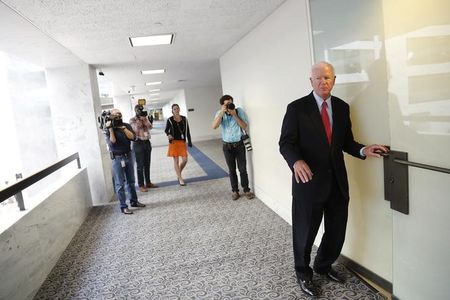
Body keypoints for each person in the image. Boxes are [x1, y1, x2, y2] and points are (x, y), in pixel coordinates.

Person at [278, 62, 388, 296]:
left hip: (337, 182)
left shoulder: (341, 107)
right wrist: (296, 161)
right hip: (308, 183)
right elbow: (286, 143)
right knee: (305, 233)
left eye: (327, 77)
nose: (322, 82)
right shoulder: (297, 108)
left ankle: (323, 265)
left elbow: (346, 142)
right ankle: (303, 273)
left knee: (336, 231)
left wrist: (363, 150)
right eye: (317, 78)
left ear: (334, 79)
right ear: (311, 81)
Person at [212, 95, 255, 200]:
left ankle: (246, 190)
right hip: (227, 146)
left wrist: (234, 115)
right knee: (232, 170)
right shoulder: (220, 113)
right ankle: (235, 191)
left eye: (230, 103)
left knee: (242, 169)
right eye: (226, 104)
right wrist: (222, 113)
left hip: (239, 145)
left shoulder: (238, 111)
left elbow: (244, 126)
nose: (229, 105)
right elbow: (214, 126)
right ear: (222, 105)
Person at [105, 108, 146, 214]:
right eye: (116, 115)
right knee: (120, 184)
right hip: (117, 158)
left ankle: (134, 201)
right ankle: (123, 206)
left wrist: (123, 129)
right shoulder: (108, 128)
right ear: (111, 116)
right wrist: (110, 129)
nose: (118, 116)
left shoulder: (126, 125)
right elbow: (112, 142)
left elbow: (133, 137)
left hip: (128, 155)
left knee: (131, 181)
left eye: (120, 114)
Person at [130, 104, 158, 192]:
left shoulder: (145, 118)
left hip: (147, 142)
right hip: (138, 143)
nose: (141, 111)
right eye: (139, 110)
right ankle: (141, 185)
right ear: (136, 111)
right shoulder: (132, 120)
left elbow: (150, 127)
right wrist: (139, 120)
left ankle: (148, 183)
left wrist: (145, 120)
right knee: (140, 165)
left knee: (147, 164)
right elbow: (135, 129)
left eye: (142, 110)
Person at [165, 104, 192, 186]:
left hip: (182, 142)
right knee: (176, 161)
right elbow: (166, 130)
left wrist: (189, 141)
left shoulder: (184, 119)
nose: (176, 110)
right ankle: (180, 178)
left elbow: (187, 131)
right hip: (173, 142)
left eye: (177, 108)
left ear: (179, 109)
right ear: (172, 111)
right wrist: (169, 134)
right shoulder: (170, 120)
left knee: (185, 160)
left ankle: (178, 173)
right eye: (174, 109)